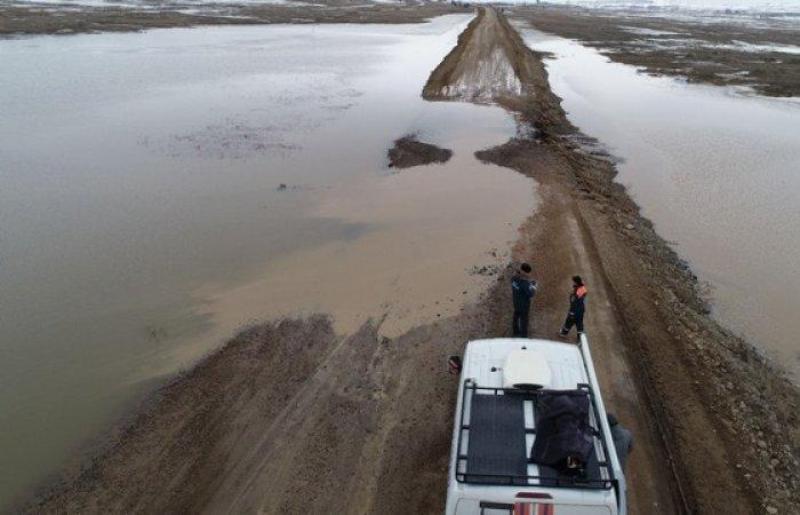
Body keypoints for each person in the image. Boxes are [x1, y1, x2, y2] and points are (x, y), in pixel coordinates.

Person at [511, 263, 537, 337]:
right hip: (524, 305)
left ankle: (515, 331)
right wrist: (534, 286)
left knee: (516, 316)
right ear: (526, 272)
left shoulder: (514, 279)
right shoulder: (525, 284)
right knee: (524, 320)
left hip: (516, 302)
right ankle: (524, 336)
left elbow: (515, 279)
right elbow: (531, 294)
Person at [559, 275, 587, 339]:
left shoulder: (577, 293)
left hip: (575, 310)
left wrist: (572, 312)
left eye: (574, 282)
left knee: (569, 321)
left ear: (576, 282)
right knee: (579, 323)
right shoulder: (583, 288)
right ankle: (580, 338)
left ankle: (563, 333)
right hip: (581, 310)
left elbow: (574, 302)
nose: (573, 283)